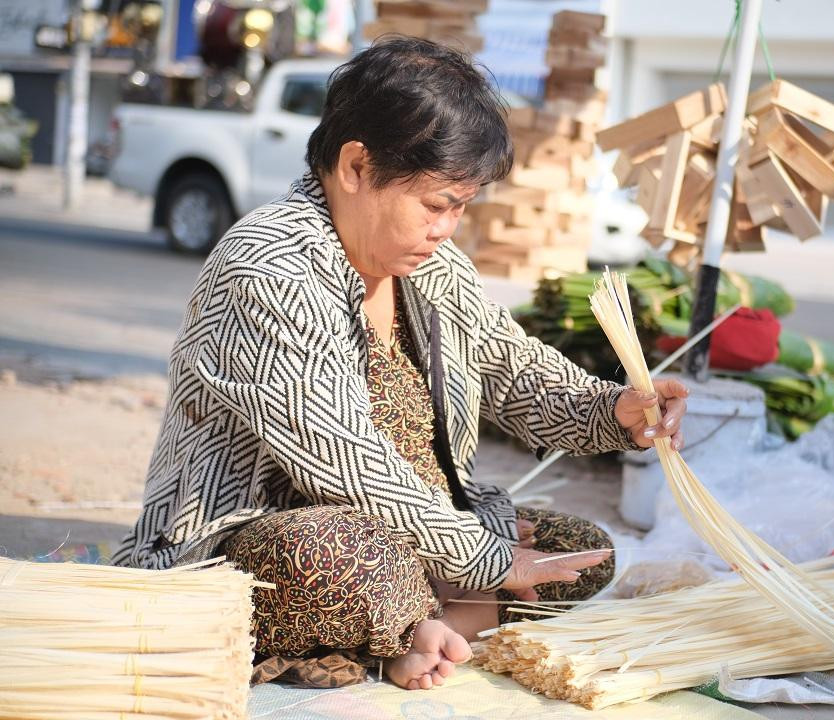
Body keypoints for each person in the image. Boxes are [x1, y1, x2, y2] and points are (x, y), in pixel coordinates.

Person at [112, 36, 688, 691]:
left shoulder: (434, 267)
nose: (447, 228)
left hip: (420, 537)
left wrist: (609, 410)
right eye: (436, 204)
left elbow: (513, 368)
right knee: (335, 555)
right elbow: (344, 459)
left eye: (461, 207)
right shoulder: (268, 267)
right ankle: (432, 617)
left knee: (581, 552)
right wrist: (481, 557)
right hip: (271, 538)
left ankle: (424, 624)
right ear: (356, 166)